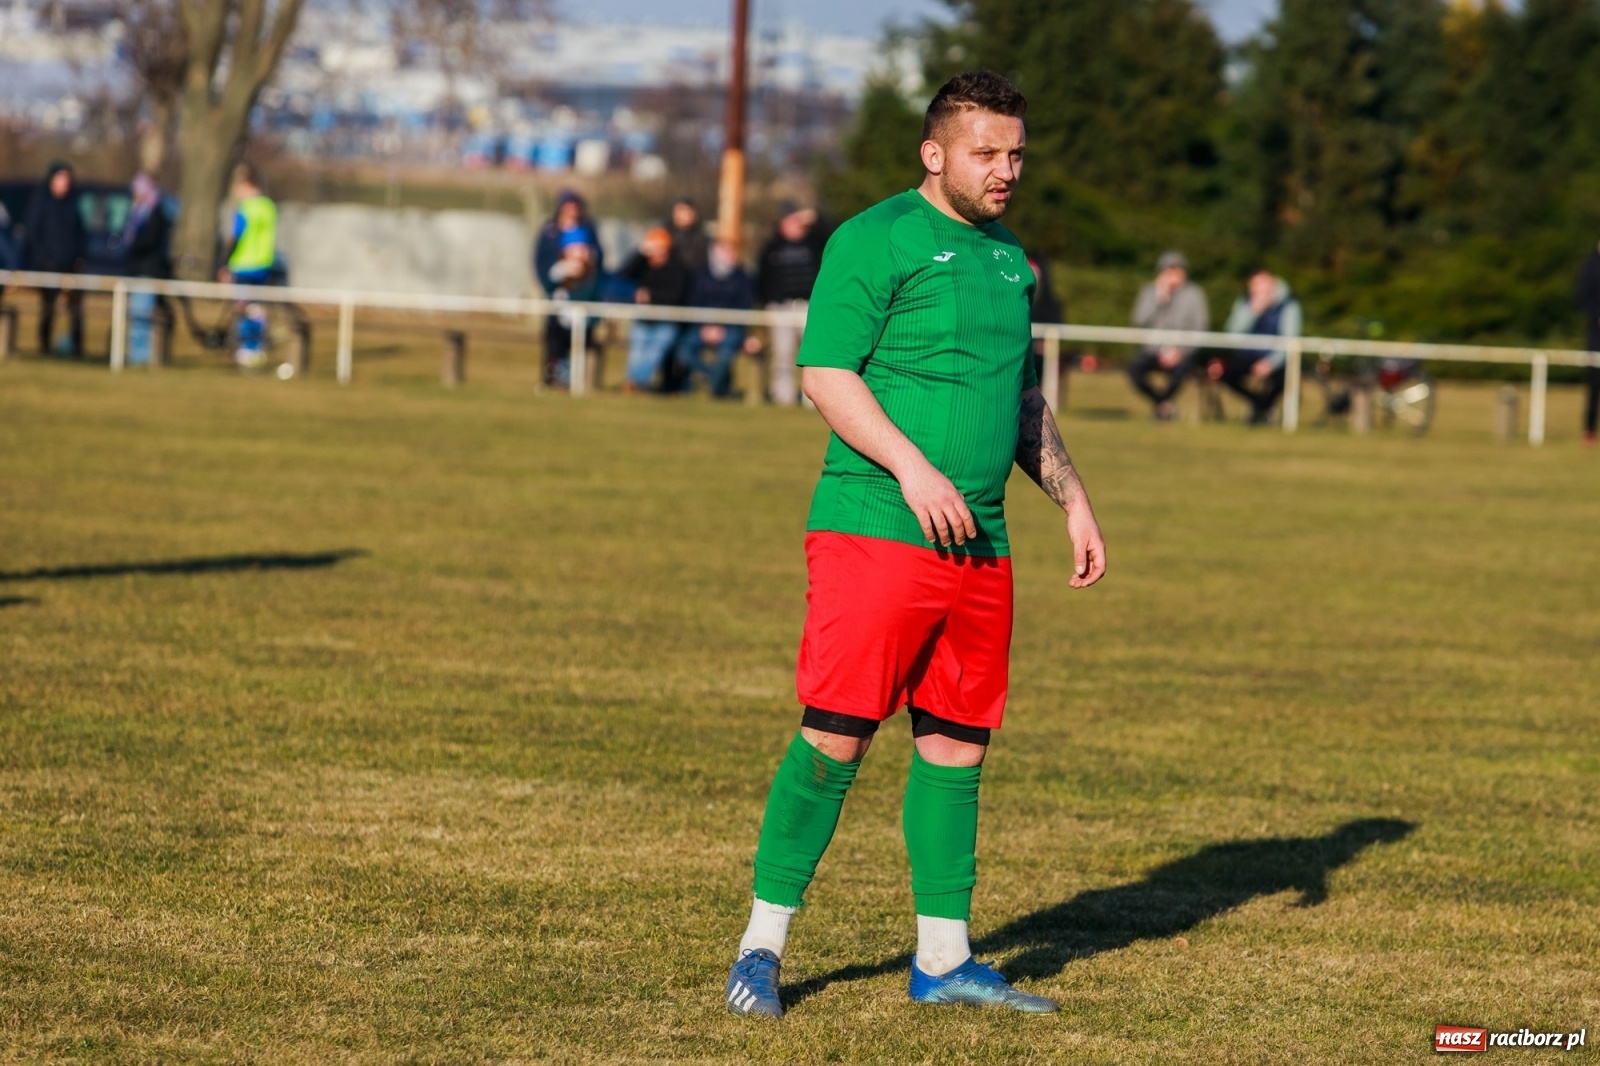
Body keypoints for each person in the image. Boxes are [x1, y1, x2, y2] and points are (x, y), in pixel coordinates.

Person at [724, 70, 1107, 1020]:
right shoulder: (877, 237)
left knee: (957, 743)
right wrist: (913, 470)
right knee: (838, 733)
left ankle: (943, 961)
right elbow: (824, 374)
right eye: (987, 152)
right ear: (935, 153)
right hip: (876, 528)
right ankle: (760, 951)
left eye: (1016, 152)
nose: (1005, 169)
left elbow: (1019, 398)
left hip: (982, 541)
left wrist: (1073, 497)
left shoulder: (1013, 261)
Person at [756, 201, 827, 405]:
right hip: (781, 307)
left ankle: (812, 399)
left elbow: (831, 229)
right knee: (782, 355)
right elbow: (763, 280)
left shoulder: (815, 244)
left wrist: (815, 217)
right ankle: (783, 397)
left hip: (809, 307)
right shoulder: (771, 248)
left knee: (813, 356)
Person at [1212, 269, 1303, 425]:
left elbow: (1290, 340)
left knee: (1285, 378)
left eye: (1263, 285)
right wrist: (1251, 312)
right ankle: (1261, 404)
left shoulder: (1289, 305)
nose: (1259, 290)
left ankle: (1262, 407)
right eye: (1255, 286)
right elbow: (1231, 334)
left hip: (1276, 358)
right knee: (1224, 373)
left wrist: (1271, 363)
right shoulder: (1245, 303)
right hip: (1248, 355)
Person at [1126, 251, 1209, 420]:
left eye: (1176, 270)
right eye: (1168, 271)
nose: (1172, 276)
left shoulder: (1194, 294)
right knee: (1134, 369)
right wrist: (1159, 299)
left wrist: (1180, 351)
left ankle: (1163, 405)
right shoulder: (1150, 292)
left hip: (1181, 352)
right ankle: (1163, 403)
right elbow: (1138, 320)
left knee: (1181, 371)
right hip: (1153, 351)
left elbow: (1200, 327)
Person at [534, 190, 605, 385]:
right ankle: (554, 373)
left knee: (580, 335)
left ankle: (575, 378)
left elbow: (595, 281)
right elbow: (543, 270)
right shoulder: (550, 233)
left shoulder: (589, 235)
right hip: (559, 309)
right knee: (554, 335)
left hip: (584, 309)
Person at [675, 239, 757, 397]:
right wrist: (705, 326)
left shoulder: (743, 277)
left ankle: (717, 391)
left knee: (725, 354)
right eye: (725, 252)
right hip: (701, 328)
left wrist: (721, 327)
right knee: (683, 352)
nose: (730, 256)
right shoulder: (701, 275)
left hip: (731, 329)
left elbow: (744, 306)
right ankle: (715, 378)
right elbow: (693, 302)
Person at [21, 161, 87, 357]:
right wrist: (43, 259)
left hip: (70, 266)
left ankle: (77, 349)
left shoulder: (73, 203)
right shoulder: (41, 202)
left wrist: (79, 257)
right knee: (48, 309)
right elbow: (32, 235)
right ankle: (45, 348)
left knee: (76, 309)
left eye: (67, 178)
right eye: (61, 178)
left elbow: (81, 233)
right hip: (48, 266)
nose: (65, 182)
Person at [219, 165, 278, 368]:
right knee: (257, 309)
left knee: (242, 308)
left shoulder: (246, 208)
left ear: (248, 185)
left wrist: (224, 263)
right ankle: (258, 349)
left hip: (243, 265)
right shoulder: (269, 207)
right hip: (263, 265)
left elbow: (236, 237)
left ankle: (246, 351)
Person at [618, 226, 690, 392]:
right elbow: (624, 274)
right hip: (644, 318)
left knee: (654, 352)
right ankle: (634, 383)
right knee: (637, 350)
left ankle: (635, 382)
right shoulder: (643, 264)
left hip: (666, 320)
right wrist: (639, 251)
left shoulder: (676, 268)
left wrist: (651, 297)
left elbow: (676, 295)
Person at [542, 233, 603, 388]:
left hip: (584, 323)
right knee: (553, 334)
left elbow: (589, 296)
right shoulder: (559, 270)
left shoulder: (594, 273)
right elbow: (548, 289)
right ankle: (556, 373)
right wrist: (561, 272)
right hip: (560, 324)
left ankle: (569, 378)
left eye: (582, 249)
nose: (579, 253)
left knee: (576, 341)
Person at [124, 172, 172, 367]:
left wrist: (134, 244)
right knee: (136, 314)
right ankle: (136, 355)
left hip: (148, 271)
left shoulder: (156, 213)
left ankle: (141, 357)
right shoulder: (139, 211)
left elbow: (150, 242)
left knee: (141, 314)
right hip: (137, 270)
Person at [1574, 240, 1600, 446]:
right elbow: (1580, 297)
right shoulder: (1591, 267)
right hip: (1597, 337)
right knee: (1594, 386)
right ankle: (1589, 430)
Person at [666, 197, 709, 279]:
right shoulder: (665, 232)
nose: (686, 215)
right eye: (682, 211)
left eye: (689, 211)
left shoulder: (702, 238)